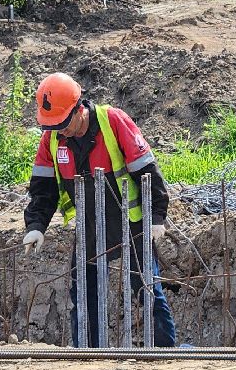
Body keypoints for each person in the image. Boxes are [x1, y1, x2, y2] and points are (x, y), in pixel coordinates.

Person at [23, 72, 178, 347]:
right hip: (90, 224)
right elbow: (43, 189)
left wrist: (156, 216)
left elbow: (147, 169)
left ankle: (165, 352)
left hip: (130, 221)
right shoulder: (52, 139)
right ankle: (88, 354)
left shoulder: (113, 121)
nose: (59, 130)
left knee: (147, 289)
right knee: (84, 293)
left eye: (62, 123)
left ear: (78, 108)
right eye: (52, 125)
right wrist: (36, 226)